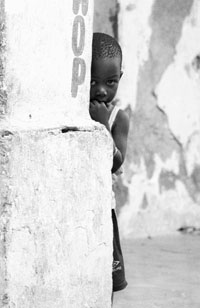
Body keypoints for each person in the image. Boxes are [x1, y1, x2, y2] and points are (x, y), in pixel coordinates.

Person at [89, 32, 129, 301]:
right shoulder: (74, 110)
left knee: (106, 274)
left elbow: (115, 164)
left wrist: (102, 125)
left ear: (120, 78)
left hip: (104, 207)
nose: (102, 90)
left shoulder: (117, 117)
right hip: (79, 206)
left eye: (110, 82)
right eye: (93, 81)